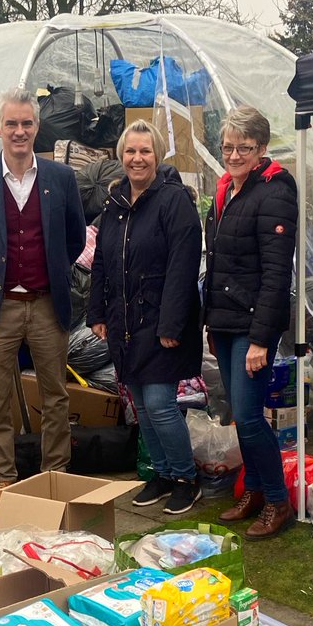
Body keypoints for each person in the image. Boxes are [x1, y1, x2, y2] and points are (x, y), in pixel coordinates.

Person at [0, 88, 86, 511]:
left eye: (26, 123)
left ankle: (56, 475)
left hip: (48, 303)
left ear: (37, 127)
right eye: (11, 123)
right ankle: (3, 480)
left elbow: (74, 238)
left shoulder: (60, 178)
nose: (19, 131)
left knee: (56, 395)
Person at [88, 120, 203, 516]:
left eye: (145, 151)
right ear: (121, 156)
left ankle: (186, 478)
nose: (137, 158)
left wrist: (171, 325)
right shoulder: (115, 202)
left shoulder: (174, 201)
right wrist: (97, 312)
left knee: (160, 403)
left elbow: (183, 267)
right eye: (130, 151)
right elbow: (101, 262)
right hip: (124, 322)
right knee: (140, 404)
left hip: (160, 321)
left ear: (157, 155)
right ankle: (164, 473)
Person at [204, 105, 298, 539]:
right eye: (228, 147)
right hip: (225, 321)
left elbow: (277, 274)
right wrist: (211, 322)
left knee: (249, 415)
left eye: (244, 147)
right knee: (240, 416)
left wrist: (261, 339)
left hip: (251, 326)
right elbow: (220, 263)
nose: (234, 155)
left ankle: (278, 501)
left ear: (261, 148)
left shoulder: (274, 192)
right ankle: (255, 491)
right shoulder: (226, 190)